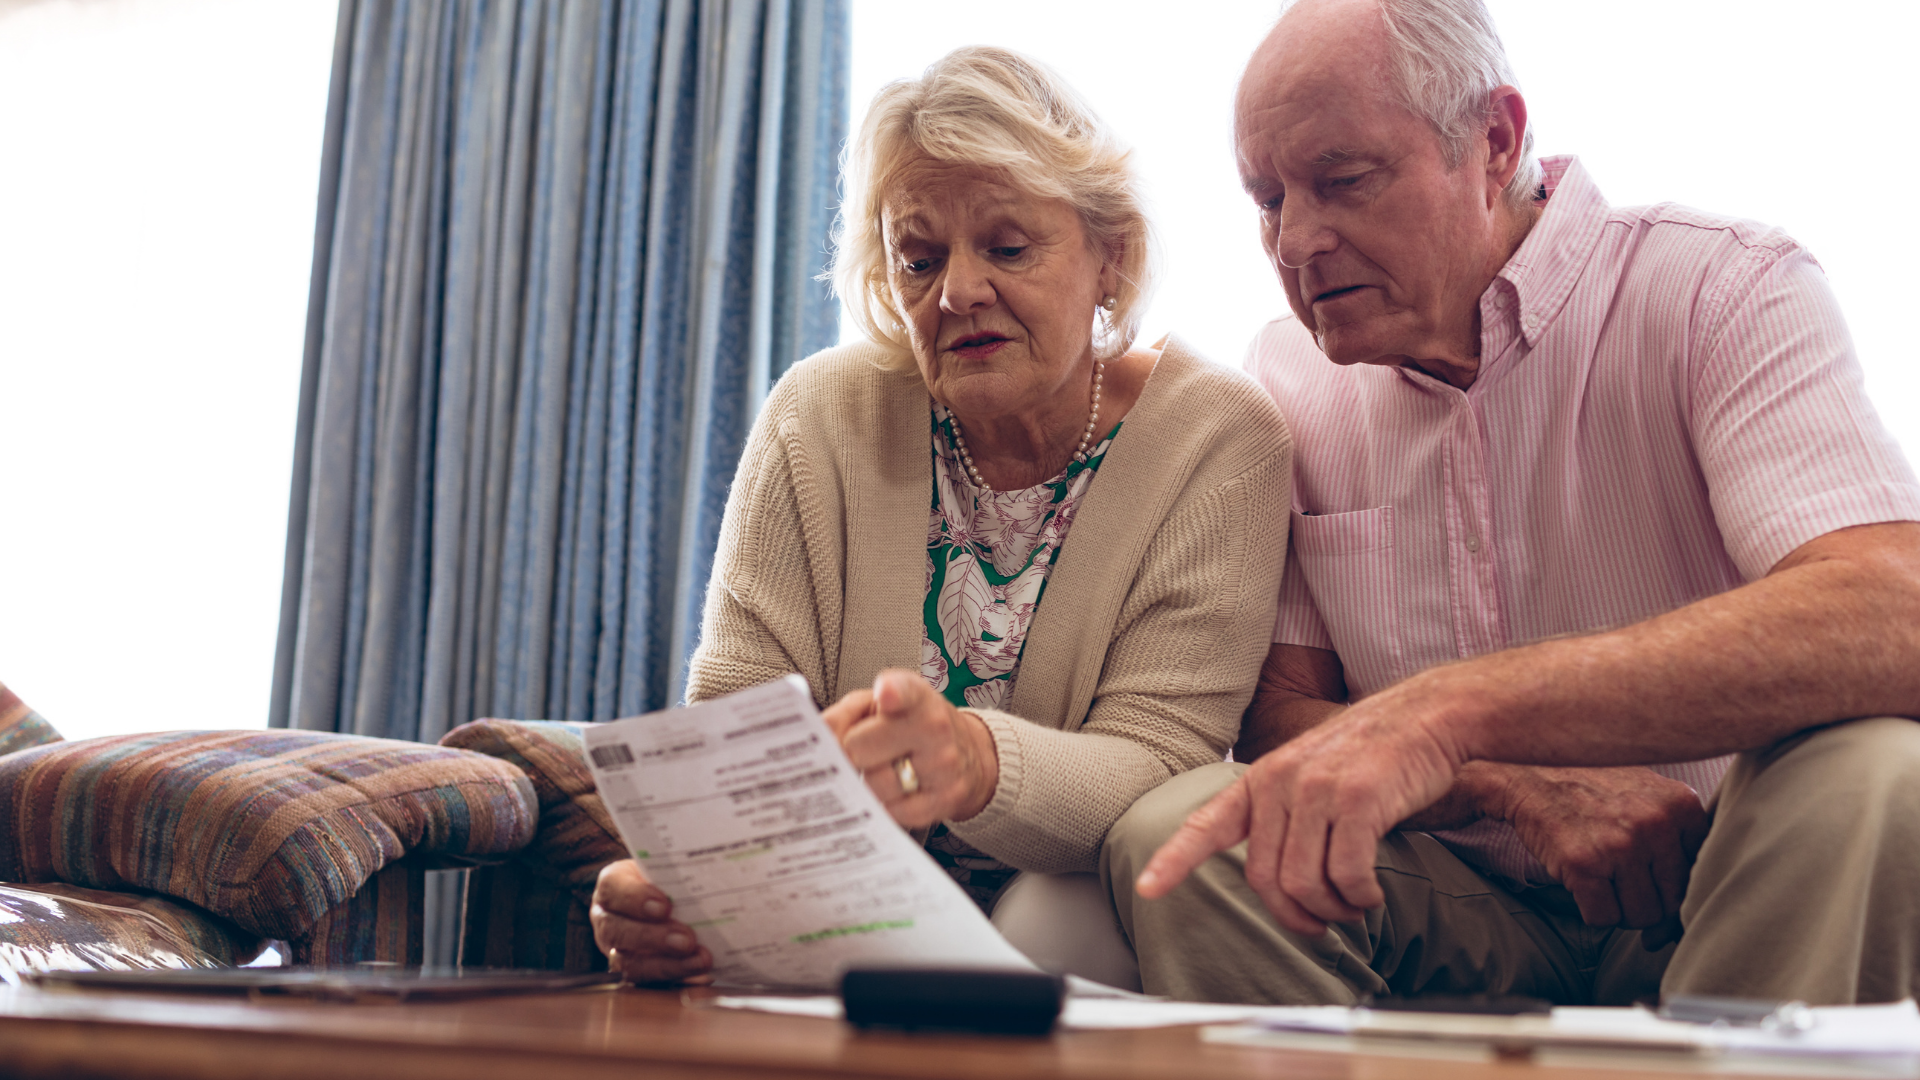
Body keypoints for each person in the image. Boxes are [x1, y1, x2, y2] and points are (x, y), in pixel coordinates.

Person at [1104, 0, 1920, 1006]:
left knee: (1881, 771)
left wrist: (1447, 713)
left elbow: (1892, 612)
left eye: (1344, 180)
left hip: (1716, 876)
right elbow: (1277, 713)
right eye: (1269, 200)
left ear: (1494, 141)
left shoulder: (1721, 286)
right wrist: (1510, 781)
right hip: (1457, 894)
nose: (1297, 242)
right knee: (1185, 837)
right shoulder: (1284, 374)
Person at [590, 46, 1294, 986]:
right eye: (919, 260)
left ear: (1111, 258)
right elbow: (737, 723)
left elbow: (1163, 764)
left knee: (1054, 920)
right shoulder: (816, 417)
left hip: (1082, 924)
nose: (957, 291)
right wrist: (675, 885)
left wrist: (976, 761)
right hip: (835, 920)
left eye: (1007, 248)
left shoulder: (1218, 438)